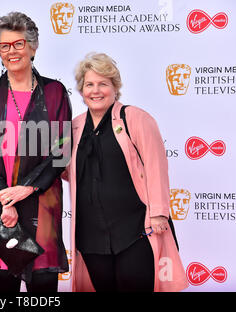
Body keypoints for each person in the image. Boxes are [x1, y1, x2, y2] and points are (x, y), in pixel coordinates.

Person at [64, 52, 188, 292]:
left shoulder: (135, 118)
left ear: (115, 87)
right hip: (90, 235)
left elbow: (156, 167)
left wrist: (160, 213)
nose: (96, 90)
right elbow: (63, 170)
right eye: (89, 84)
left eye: (103, 84)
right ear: (81, 90)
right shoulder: (74, 126)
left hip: (135, 231)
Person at [0, 12, 72, 292]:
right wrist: (5, 202)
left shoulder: (55, 92)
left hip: (41, 206)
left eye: (19, 44)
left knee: (42, 292)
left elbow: (61, 151)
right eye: (4, 46)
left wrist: (26, 188)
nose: (12, 51)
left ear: (33, 47)